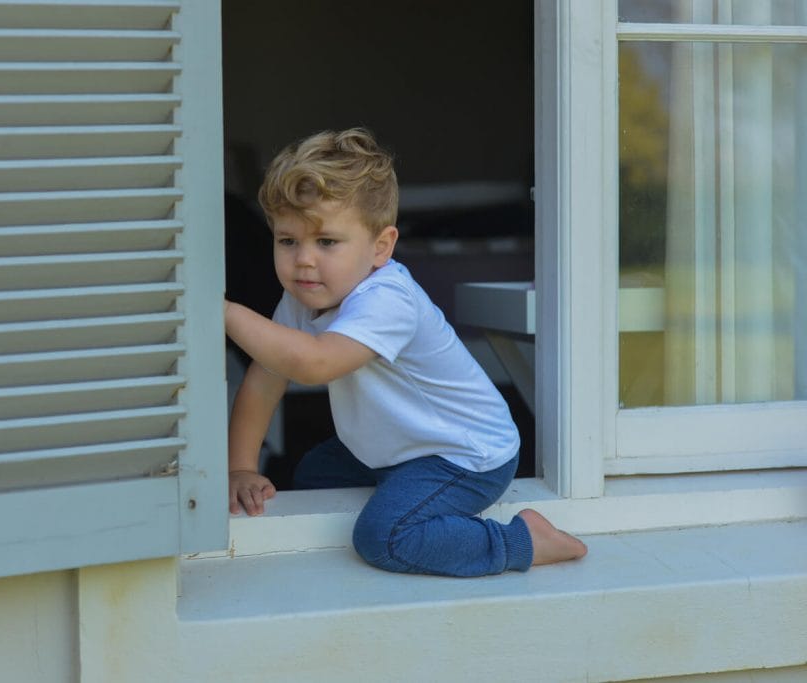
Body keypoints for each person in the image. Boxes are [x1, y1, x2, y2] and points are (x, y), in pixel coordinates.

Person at [224, 127, 587, 576]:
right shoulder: (302, 296)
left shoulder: (388, 298)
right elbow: (264, 380)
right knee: (313, 473)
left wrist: (221, 311)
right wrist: (240, 468)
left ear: (381, 247)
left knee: (384, 537)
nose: (303, 260)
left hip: (464, 454)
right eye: (287, 241)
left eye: (326, 242)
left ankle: (522, 540)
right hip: (396, 446)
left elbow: (315, 363)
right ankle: (405, 494)